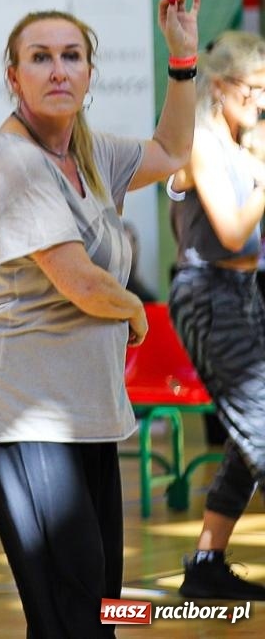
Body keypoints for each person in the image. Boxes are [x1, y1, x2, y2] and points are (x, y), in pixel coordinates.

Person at [0, 0, 198, 637]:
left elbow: (172, 152)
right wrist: (138, 315)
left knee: (98, 606)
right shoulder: (14, 160)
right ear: (14, 77)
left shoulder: (86, 151)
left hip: (78, 403)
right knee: (72, 609)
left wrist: (182, 60)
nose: (58, 70)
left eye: (71, 56)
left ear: (90, 73)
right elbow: (81, 283)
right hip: (21, 405)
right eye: (40, 58)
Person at [164, 30, 265, 599]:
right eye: (252, 90)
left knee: (246, 437)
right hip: (206, 293)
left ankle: (206, 563)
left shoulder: (239, 141)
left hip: (246, 290)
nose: (260, 101)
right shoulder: (200, 140)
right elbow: (229, 233)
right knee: (262, 428)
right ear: (222, 86)